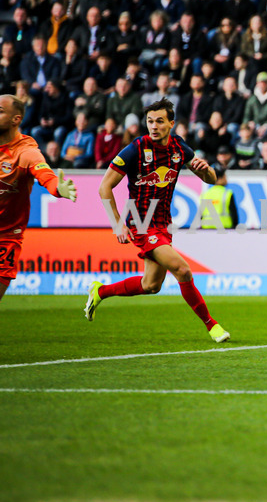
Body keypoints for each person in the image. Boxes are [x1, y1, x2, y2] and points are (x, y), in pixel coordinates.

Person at [84, 98, 228, 342]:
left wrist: (206, 170)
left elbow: (211, 179)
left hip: (163, 223)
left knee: (151, 285)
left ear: (171, 124)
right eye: (150, 121)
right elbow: (104, 187)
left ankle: (100, 291)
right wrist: (117, 223)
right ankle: (212, 325)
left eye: (159, 121)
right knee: (182, 269)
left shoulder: (180, 149)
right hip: (140, 223)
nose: (153, 126)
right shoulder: (134, 149)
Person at [0, 94, 78, 301]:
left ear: (16, 119)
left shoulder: (26, 153)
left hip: (5, 237)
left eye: (0, 111)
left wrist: (58, 188)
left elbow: (47, 178)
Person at [199, 165, 238, 229]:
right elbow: (234, 214)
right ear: (220, 178)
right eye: (225, 176)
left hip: (206, 228)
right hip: (224, 227)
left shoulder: (205, 194)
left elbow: (201, 214)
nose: (226, 179)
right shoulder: (227, 193)